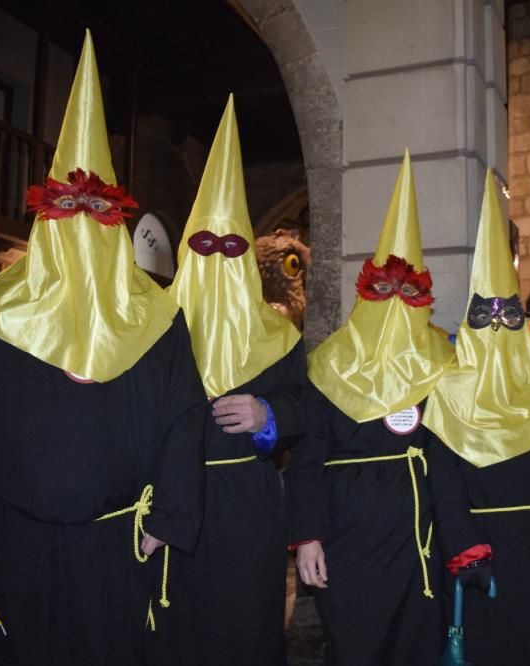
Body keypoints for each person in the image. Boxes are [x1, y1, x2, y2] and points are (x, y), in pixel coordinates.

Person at [0, 33, 207, 665]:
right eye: (66, 207)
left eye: (94, 210)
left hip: (114, 544)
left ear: (116, 221)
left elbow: (185, 419)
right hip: (6, 540)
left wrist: (169, 519)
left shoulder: (156, 319)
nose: (78, 225)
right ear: (44, 216)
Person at [151, 96, 306, 665]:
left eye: (231, 248)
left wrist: (271, 416)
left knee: (243, 627)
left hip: (246, 504)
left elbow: (303, 409)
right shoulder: (151, 326)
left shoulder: (279, 335)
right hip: (166, 503)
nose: (217, 259)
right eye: (204, 247)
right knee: (175, 627)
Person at [285, 151, 453, 665]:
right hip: (348, 534)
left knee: (418, 645)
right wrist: (308, 536)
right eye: (384, 289)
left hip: (420, 536)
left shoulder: (445, 360)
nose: (394, 301)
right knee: (355, 647)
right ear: (365, 293)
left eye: (407, 291)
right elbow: (308, 458)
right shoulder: (330, 362)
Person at [424, 171, 530, 665]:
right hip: (477, 547)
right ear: (469, 323)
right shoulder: (448, 390)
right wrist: (464, 546)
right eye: (485, 316)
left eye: (509, 316)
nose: (498, 326)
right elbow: (442, 480)